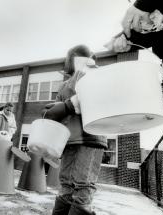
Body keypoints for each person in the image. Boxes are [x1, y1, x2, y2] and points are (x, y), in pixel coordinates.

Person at [43, 45, 107, 215]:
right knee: (66, 184)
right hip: (69, 140)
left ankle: (80, 210)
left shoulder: (94, 74)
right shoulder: (64, 86)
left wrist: (65, 106)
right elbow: (51, 112)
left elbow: (93, 95)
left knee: (82, 184)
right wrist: (59, 109)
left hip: (90, 138)